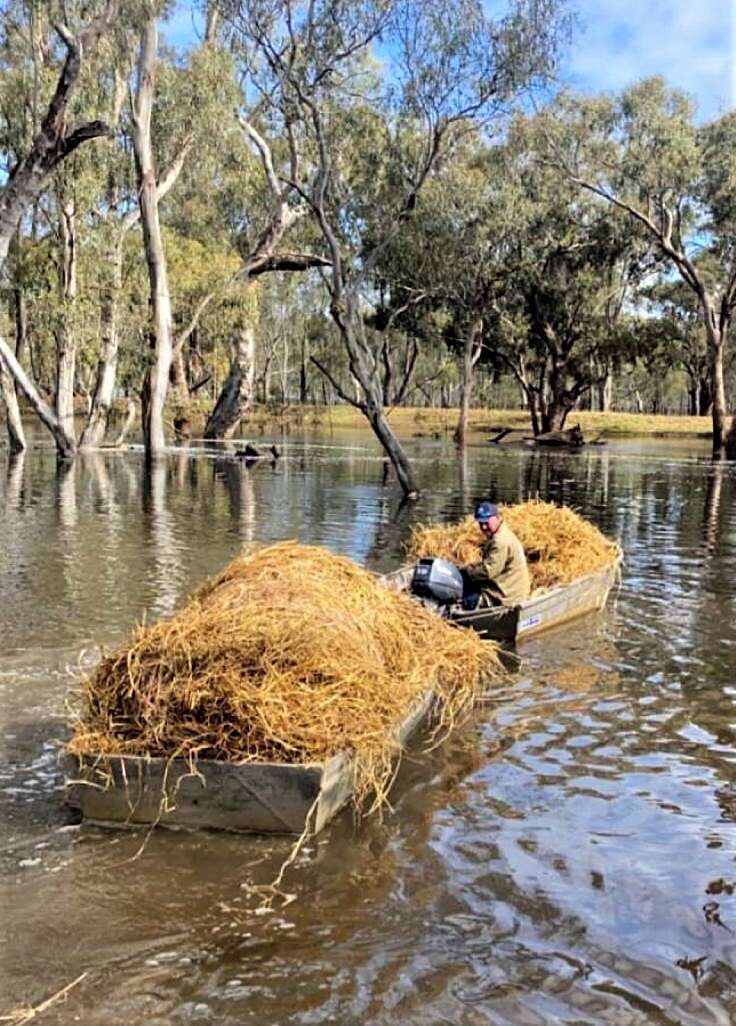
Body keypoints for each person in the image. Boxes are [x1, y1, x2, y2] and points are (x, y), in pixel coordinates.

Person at [461, 501, 531, 608]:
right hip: (511, 589)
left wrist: (467, 573)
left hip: (507, 596)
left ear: (497, 517)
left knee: (464, 597)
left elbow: (488, 572)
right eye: (481, 523)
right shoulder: (502, 532)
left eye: (486, 522)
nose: (483, 527)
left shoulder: (500, 541)